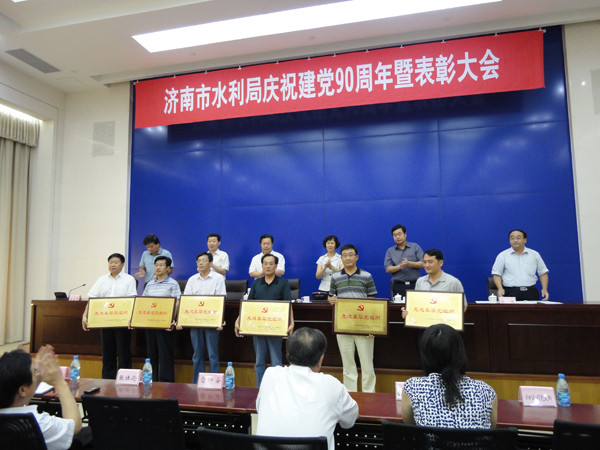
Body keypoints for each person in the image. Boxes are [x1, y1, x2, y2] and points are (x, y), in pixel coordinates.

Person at [256, 327, 358, 450]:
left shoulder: (270, 375)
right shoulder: (332, 385)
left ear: (288, 355)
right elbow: (349, 420)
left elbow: (259, 408)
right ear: (320, 359)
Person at [402, 323, 497, 428]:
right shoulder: (486, 391)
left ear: (425, 356)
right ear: (460, 353)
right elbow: (490, 429)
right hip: (474, 440)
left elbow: (410, 425)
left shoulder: (413, 387)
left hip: (430, 440)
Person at [0, 345, 86, 450]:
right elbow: (75, 426)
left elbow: (24, 395)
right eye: (35, 371)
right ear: (22, 390)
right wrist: (59, 382)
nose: (39, 372)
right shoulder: (38, 422)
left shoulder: (11, 420)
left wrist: (37, 373)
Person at [235, 254, 294, 387]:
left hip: (276, 328)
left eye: (271, 263)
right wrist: (238, 320)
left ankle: (276, 389)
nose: (268, 266)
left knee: (276, 362)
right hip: (258, 328)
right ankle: (259, 388)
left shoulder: (283, 283)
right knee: (259, 361)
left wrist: (291, 323)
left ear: (276, 266)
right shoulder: (257, 283)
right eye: (265, 263)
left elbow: (288, 304)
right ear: (262, 266)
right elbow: (248, 305)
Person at [328, 244, 377, 393]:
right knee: (348, 365)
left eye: (350, 255)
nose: (347, 258)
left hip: (364, 326)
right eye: (344, 255)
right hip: (343, 326)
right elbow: (331, 297)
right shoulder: (335, 277)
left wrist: (373, 327)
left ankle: (370, 396)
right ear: (341, 258)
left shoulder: (366, 276)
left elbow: (372, 302)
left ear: (357, 257)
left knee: (367, 365)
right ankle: (351, 396)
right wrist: (331, 300)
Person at [81, 252, 137, 379]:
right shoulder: (101, 280)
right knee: (107, 353)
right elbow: (92, 299)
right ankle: (107, 380)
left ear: (122, 264)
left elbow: (132, 301)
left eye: (116, 262)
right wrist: (85, 315)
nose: (113, 265)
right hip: (105, 321)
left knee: (123, 352)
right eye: (110, 262)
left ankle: (125, 379)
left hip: (122, 321)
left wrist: (131, 319)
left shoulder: (129, 279)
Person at [182, 252, 226, 383]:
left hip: (211, 320)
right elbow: (186, 300)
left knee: (212, 353)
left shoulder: (218, 278)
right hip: (195, 321)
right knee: (197, 354)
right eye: (198, 261)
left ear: (210, 263)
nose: (200, 263)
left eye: (204, 260)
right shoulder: (192, 279)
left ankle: (215, 381)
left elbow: (221, 299)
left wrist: (220, 320)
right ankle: (197, 382)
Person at [142, 255, 181, 382]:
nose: (158, 267)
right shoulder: (149, 284)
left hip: (165, 324)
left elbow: (177, 302)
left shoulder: (173, 283)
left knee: (165, 354)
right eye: (156, 265)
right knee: (151, 354)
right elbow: (143, 302)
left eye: (161, 265)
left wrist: (172, 320)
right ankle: (151, 380)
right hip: (150, 323)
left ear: (168, 268)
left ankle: (166, 382)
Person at [492, 229, 549, 300]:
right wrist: (500, 288)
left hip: (530, 292)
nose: (515, 240)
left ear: (525, 240)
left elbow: (543, 273)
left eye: (518, 238)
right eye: (512, 238)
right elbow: (496, 274)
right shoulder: (503, 255)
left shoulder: (534, 254)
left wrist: (544, 289)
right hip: (510, 292)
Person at [384, 224, 424, 298]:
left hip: (415, 284)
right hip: (398, 285)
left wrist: (409, 263)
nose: (397, 237)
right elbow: (388, 269)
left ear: (405, 234)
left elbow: (423, 263)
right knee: (398, 305)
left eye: (399, 234)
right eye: (395, 235)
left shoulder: (415, 247)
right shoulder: (390, 251)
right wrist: (400, 266)